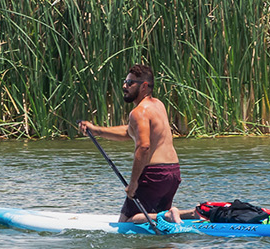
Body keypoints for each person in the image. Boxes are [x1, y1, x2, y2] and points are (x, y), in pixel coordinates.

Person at [78, 64, 193, 224]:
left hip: (155, 174)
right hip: (173, 173)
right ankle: (178, 217)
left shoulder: (139, 112)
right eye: (125, 81)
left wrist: (133, 183)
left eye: (130, 83)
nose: (125, 86)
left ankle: (172, 214)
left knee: (125, 222)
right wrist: (96, 130)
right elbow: (129, 132)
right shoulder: (158, 105)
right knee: (156, 222)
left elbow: (143, 147)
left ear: (144, 86)